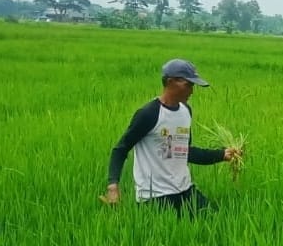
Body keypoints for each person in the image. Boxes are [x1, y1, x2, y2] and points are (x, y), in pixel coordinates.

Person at [102, 58, 241, 215]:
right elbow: (121, 149)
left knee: (216, 221)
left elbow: (184, 152)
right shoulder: (149, 114)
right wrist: (113, 186)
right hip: (155, 197)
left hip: (185, 190)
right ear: (171, 82)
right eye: (188, 85)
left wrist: (222, 154)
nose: (192, 91)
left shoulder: (185, 111)